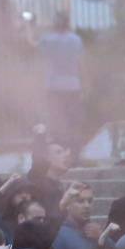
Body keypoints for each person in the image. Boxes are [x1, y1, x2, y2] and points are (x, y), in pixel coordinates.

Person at [32, 11, 84, 148]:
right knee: (72, 117)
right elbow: (80, 61)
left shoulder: (47, 40)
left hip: (54, 85)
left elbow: (34, 48)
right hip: (73, 84)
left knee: (56, 116)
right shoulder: (76, 39)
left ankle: (59, 144)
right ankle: (74, 144)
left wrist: (29, 27)